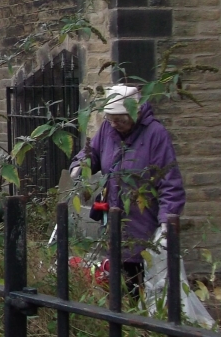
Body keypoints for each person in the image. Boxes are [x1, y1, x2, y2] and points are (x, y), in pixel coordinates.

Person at [71, 84, 185, 294]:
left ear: (135, 111)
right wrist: (81, 165)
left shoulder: (155, 134)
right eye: (110, 119)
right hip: (112, 217)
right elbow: (93, 152)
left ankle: (141, 321)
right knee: (115, 278)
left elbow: (170, 183)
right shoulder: (108, 129)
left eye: (121, 120)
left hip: (142, 219)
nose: (115, 124)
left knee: (139, 280)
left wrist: (167, 222)